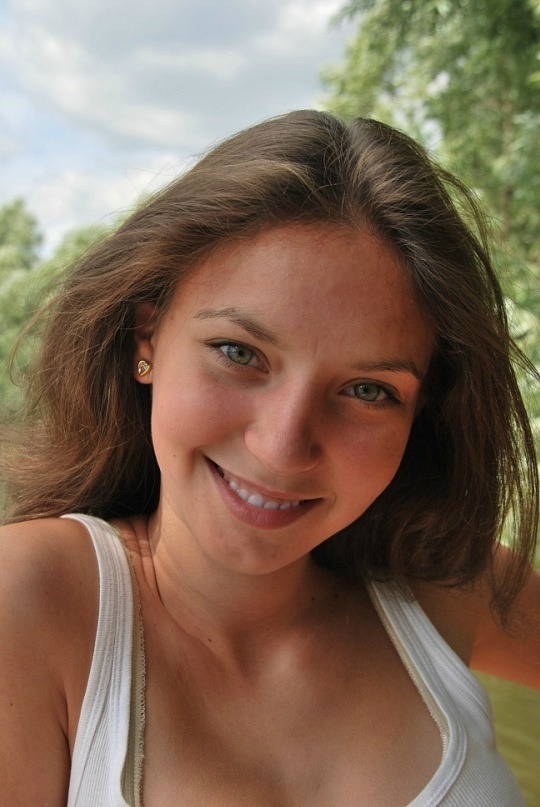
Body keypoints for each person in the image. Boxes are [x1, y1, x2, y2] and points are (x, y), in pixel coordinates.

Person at [0, 110, 538, 807]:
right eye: (239, 352)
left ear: (422, 413)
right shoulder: (27, 600)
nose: (282, 447)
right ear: (147, 336)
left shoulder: (445, 582)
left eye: (367, 390)